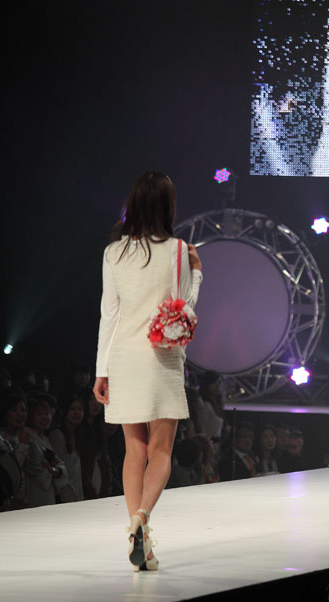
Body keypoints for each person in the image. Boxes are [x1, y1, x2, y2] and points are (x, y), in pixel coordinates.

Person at [94, 171, 203, 572]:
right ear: (167, 206)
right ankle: (142, 518)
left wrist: (101, 370)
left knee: (133, 450)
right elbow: (184, 309)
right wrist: (198, 272)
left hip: (123, 358)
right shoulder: (179, 250)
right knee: (160, 451)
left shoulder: (113, 253)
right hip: (161, 358)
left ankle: (136, 531)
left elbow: (109, 314)